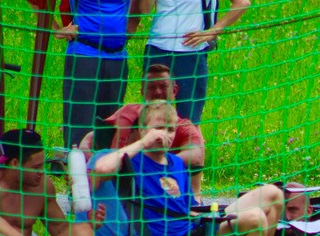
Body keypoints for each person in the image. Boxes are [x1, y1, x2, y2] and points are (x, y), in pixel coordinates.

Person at [92, 101, 286, 236]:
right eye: (157, 128)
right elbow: (100, 168)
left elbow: (189, 208)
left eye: (170, 129)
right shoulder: (133, 160)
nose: (164, 134)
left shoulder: (176, 163)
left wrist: (212, 216)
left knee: (273, 195)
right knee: (255, 217)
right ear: (142, 130)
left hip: (194, 230)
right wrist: (143, 143)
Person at [78, 64, 207, 197]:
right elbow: (90, 138)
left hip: (152, 187)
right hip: (111, 179)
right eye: (151, 87)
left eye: (163, 86)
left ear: (174, 91)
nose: (157, 92)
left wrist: (153, 165)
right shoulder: (127, 111)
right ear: (142, 91)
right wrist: (85, 165)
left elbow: (196, 155)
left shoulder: (182, 125)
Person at [138, 0, 251, 125]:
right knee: (152, 117)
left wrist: (213, 31)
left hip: (190, 54)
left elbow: (242, 3)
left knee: (189, 122)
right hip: (157, 49)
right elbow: (144, 9)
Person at [56, 0, 143, 149]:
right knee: (80, 123)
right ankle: (74, 168)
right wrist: (56, 30)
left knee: (109, 125)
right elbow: (39, 3)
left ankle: (101, 168)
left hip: (117, 57)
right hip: (84, 54)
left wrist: (133, 22)